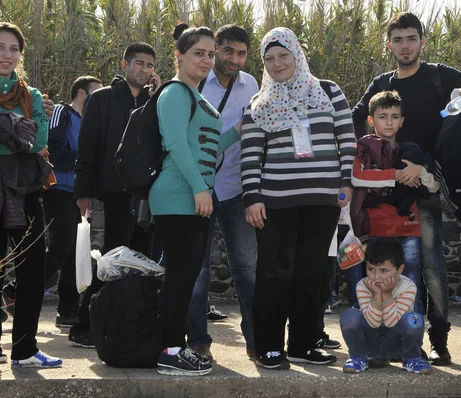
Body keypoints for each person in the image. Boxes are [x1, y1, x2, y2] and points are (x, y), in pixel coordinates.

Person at [351, 12, 461, 365]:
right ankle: (393, 337)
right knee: (384, 267)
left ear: (422, 41)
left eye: (411, 38)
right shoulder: (381, 83)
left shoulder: (438, 76)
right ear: (388, 44)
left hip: (426, 187)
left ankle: (437, 338)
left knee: (432, 266)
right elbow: (355, 116)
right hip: (385, 196)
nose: (405, 45)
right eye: (398, 39)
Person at [241, 27, 356, 370]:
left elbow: (346, 140)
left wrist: (346, 182)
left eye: (283, 56)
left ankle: (303, 345)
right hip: (275, 201)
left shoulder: (328, 93)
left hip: (322, 201)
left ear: (297, 55)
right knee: (275, 274)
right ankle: (269, 347)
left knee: (312, 275)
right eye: (269, 58)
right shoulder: (259, 104)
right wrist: (252, 197)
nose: (277, 64)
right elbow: (250, 154)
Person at [151, 24, 242, 376]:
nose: (205, 60)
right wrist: (200, 189)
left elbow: (206, 146)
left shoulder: (195, 95)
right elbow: (176, 145)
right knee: (179, 276)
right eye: (197, 53)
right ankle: (170, 350)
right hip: (177, 196)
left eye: (209, 53)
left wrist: (237, 132)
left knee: (185, 276)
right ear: (179, 55)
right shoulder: (175, 93)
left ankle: (175, 346)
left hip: (192, 196)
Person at [0, 22, 62, 373]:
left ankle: (25, 348)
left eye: (13, 48)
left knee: (32, 270)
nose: (7, 55)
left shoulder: (33, 95)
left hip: (27, 190)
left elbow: (39, 140)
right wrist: (17, 133)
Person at [72, 42, 161, 348]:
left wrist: (160, 95)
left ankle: (131, 321)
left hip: (148, 193)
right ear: (124, 65)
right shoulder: (103, 98)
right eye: (139, 63)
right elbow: (87, 146)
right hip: (115, 190)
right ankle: (85, 322)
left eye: (150, 65)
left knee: (143, 259)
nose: (145, 70)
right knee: (112, 256)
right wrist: (83, 192)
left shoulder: (156, 100)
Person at [186, 24, 259, 361]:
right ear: (215, 49)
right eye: (228, 51)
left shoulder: (252, 86)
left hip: (236, 188)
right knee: (197, 269)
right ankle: (198, 340)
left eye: (242, 53)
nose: (234, 59)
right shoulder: (195, 83)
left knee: (247, 266)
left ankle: (257, 339)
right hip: (197, 189)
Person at [351, 90, 440, 317]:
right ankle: (378, 342)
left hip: (408, 228)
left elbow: (432, 186)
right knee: (376, 287)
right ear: (371, 120)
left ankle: (411, 344)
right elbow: (358, 177)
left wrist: (419, 170)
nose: (389, 122)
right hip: (375, 230)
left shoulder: (412, 151)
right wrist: (398, 174)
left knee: (410, 286)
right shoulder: (363, 148)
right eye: (382, 116)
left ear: (402, 121)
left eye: (394, 116)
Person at [44, 76, 102, 328]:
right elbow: (54, 154)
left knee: (72, 253)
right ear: (81, 93)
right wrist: (87, 155)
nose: (100, 100)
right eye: (95, 94)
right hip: (58, 189)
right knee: (62, 246)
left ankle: (67, 311)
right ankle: (18, 287)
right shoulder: (61, 112)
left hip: (80, 194)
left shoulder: (90, 122)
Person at [339, 240, 432, 374]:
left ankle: (412, 358)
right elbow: (374, 322)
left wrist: (386, 294)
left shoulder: (408, 287)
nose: (376, 277)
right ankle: (358, 357)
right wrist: (377, 295)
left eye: (384, 270)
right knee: (350, 316)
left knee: (414, 319)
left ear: (399, 269)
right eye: (370, 269)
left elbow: (390, 322)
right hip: (372, 343)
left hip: (396, 345)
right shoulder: (362, 285)